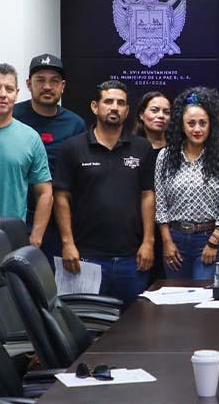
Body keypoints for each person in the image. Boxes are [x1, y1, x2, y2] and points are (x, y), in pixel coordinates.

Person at [53, 80, 156, 308]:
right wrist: (67, 243)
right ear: (94, 106)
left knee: (136, 326)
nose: (114, 107)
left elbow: (148, 195)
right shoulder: (72, 148)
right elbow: (61, 198)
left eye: (120, 103)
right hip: (86, 257)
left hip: (132, 258)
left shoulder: (142, 147)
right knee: (90, 326)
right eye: (108, 101)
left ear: (128, 111)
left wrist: (148, 242)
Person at [155, 87, 219, 280]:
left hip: (210, 239)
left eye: (203, 123)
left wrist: (213, 242)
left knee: (205, 303)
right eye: (191, 123)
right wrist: (167, 242)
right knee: (176, 302)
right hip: (175, 240)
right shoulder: (166, 156)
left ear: (211, 124)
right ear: (181, 125)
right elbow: (160, 205)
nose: (197, 129)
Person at [13, 54, 86, 258]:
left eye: (54, 81)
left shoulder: (75, 124)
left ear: (63, 86)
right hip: (21, 214)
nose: (47, 86)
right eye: (40, 80)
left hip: (60, 219)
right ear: (29, 84)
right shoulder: (13, 116)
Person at [0, 63, 53, 247]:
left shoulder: (30, 138)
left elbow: (45, 192)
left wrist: (36, 238)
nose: (3, 94)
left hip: (13, 237)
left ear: (17, 93)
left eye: (9, 89)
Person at [134, 90, 172, 281]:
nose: (160, 116)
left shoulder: (177, 149)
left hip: (172, 231)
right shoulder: (131, 148)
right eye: (155, 110)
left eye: (166, 112)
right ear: (141, 114)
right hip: (138, 230)